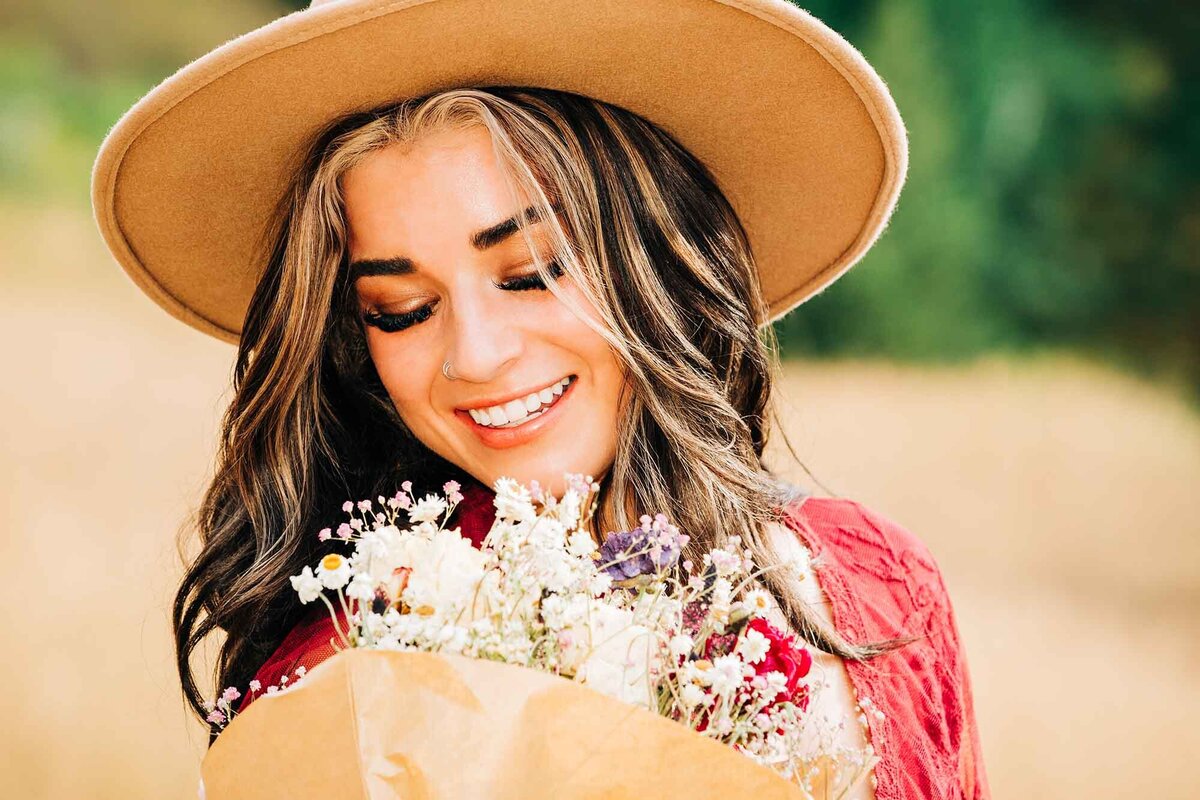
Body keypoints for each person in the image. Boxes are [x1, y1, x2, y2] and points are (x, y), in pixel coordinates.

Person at [91, 2, 990, 798]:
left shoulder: (876, 593)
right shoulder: (347, 661)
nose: (475, 357)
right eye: (400, 310)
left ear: (656, 255)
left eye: (531, 273)